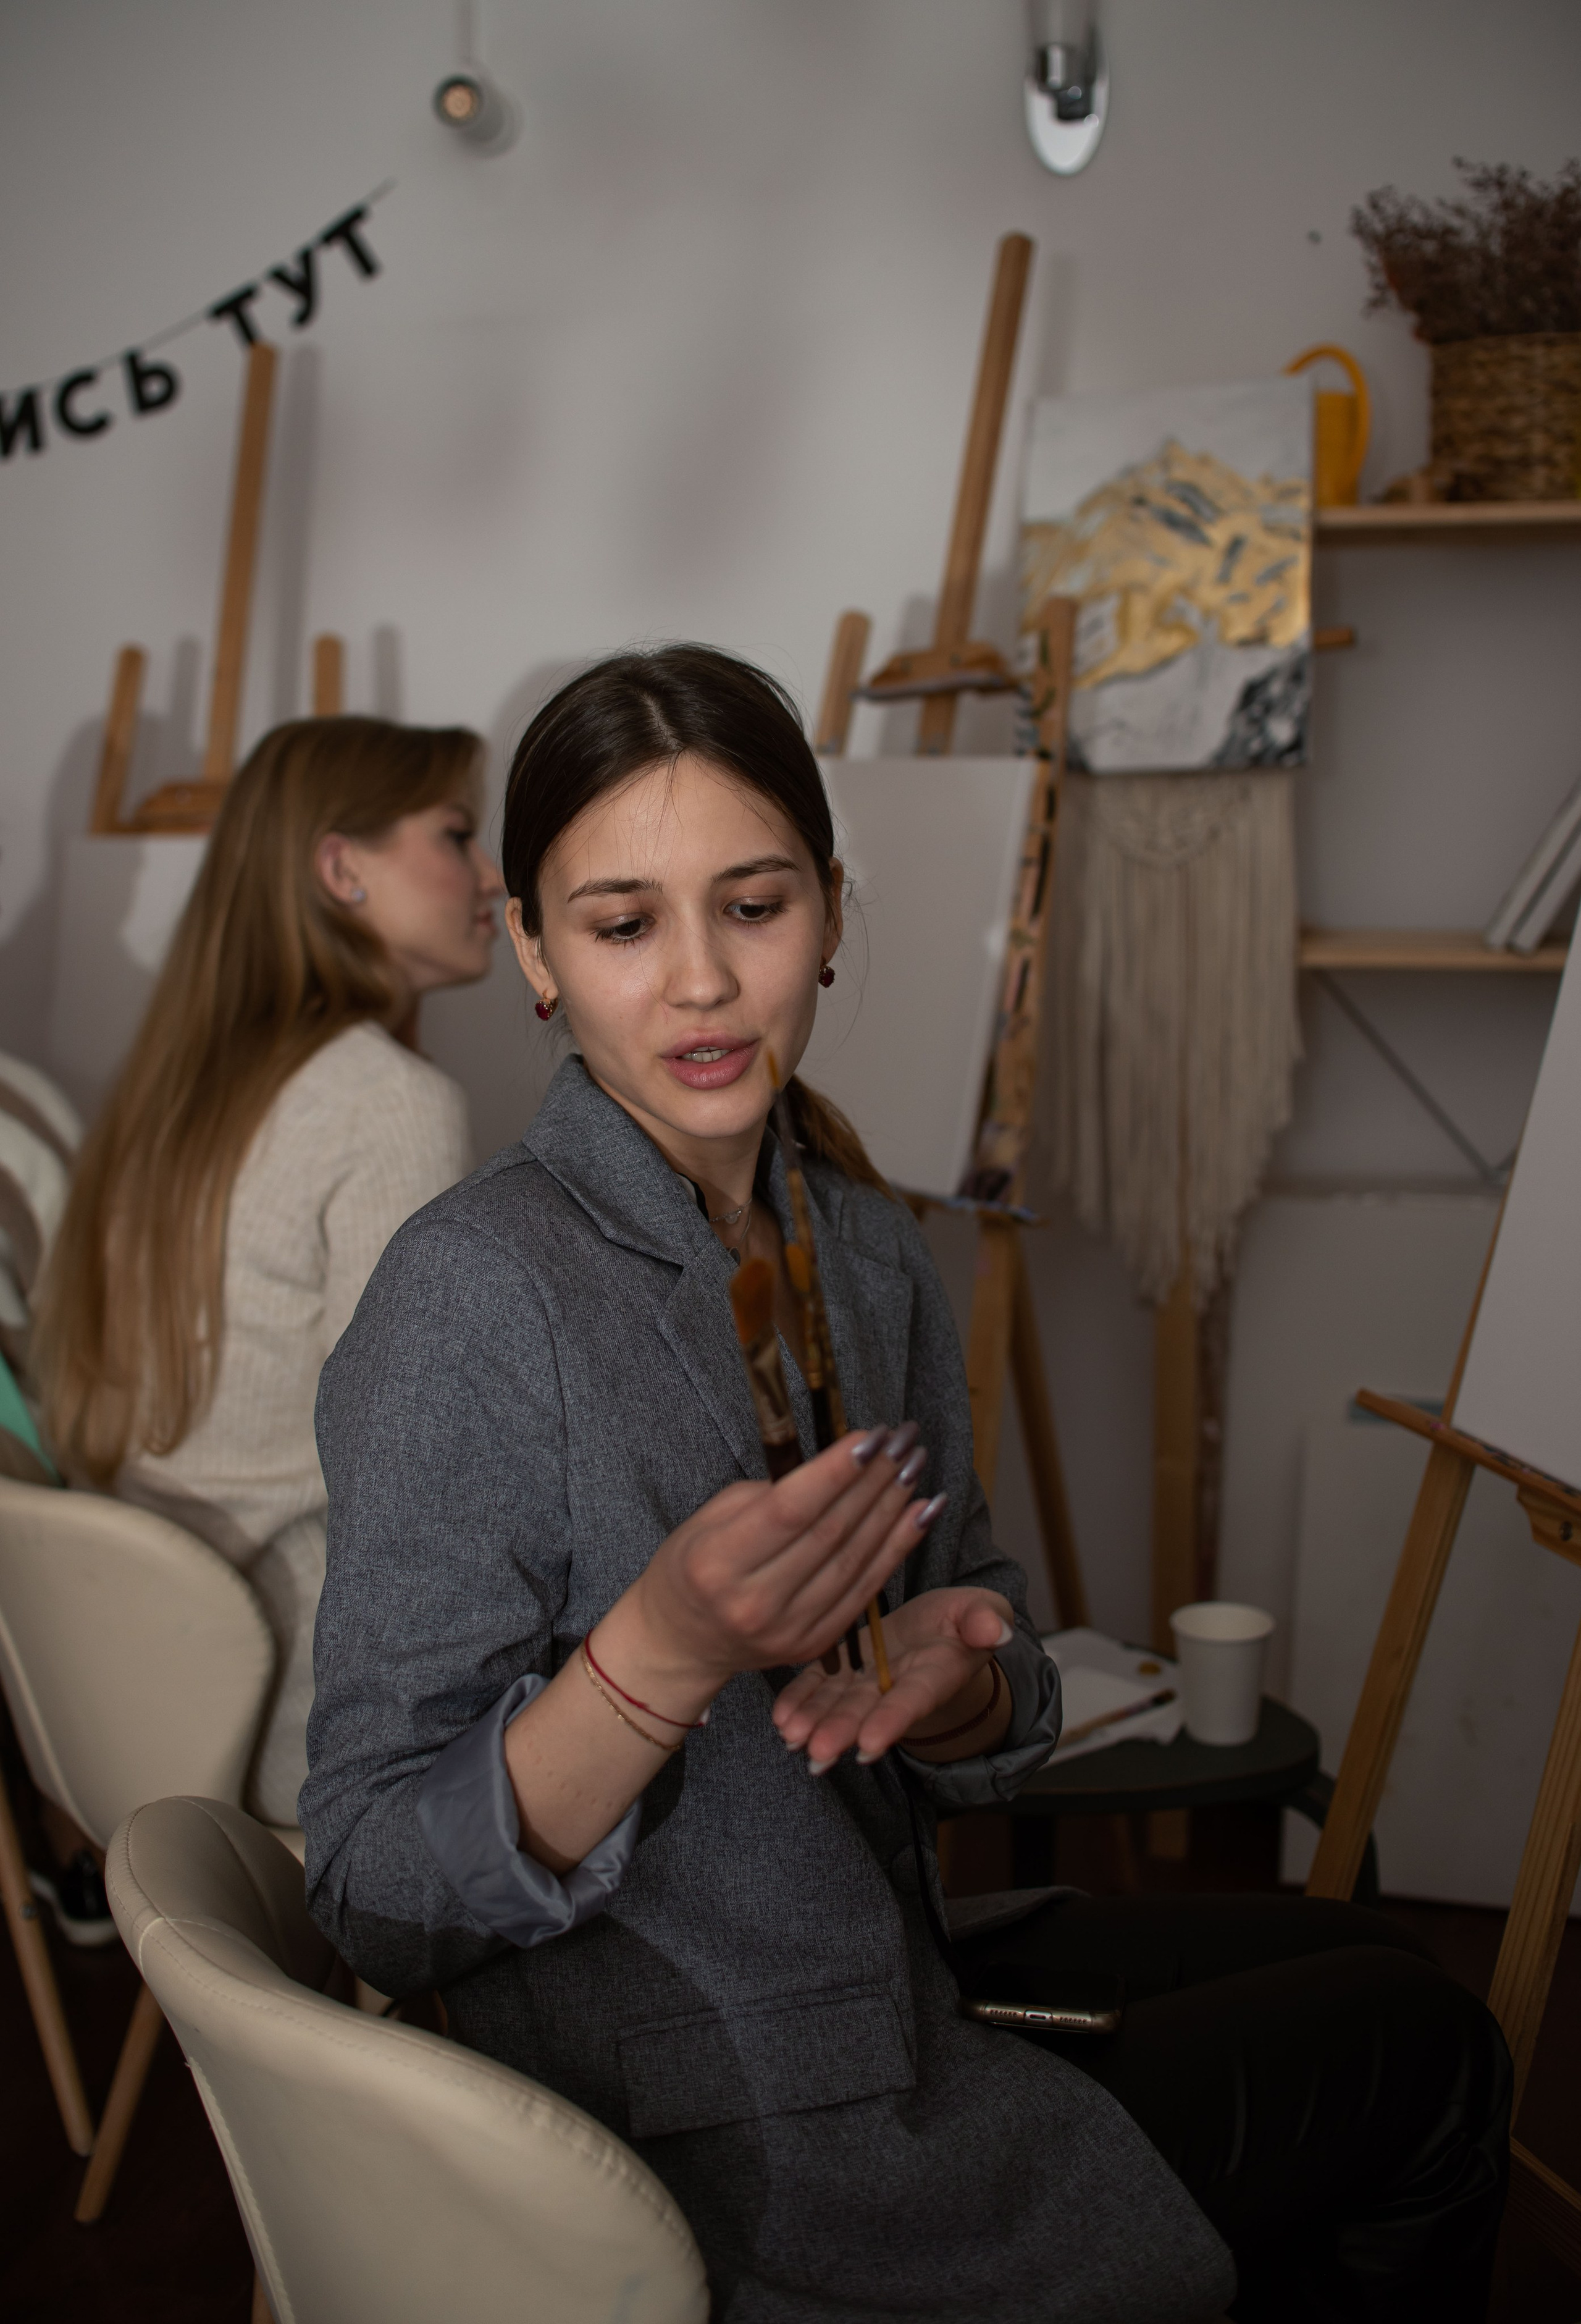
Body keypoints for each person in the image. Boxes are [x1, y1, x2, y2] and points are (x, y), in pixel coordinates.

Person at [302, 649, 1509, 2324]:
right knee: (1431, 2053)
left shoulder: (861, 1244)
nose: (705, 983)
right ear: (534, 953)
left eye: (755, 904)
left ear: (834, 912)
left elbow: (984, 1635)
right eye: (624, 922)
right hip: (716, 2115)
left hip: (883, 1971)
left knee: (1383, 1962)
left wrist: (953, 1684)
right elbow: (369, 1885)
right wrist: (656, 1656)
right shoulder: (473, 1296)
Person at [36, 716, 503, 1864]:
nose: (492, 877)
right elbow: (414, 1473)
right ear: (341, 867)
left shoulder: (179, 1084)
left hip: (133, 1699)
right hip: (300, 1708)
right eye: (456, 835)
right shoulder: (386, 1100)